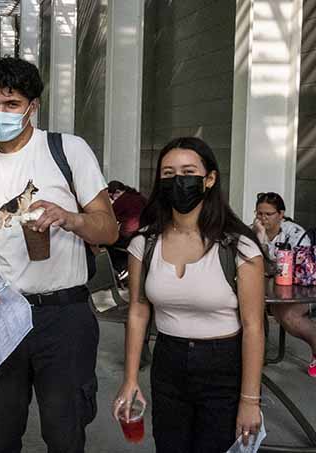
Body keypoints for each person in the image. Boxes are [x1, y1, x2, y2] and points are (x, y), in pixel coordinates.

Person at [0, 57, 119, 452]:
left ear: (33, 106)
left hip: (63, 316)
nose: (0, 113)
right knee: (0, 430)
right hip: (1, 313)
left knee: (65, 432)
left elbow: (108, 228)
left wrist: (69, 218)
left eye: (11, 105)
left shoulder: (67, 150)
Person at [113, 137, 265, 452]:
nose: (178, 181)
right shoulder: (146, 242)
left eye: (188, 171)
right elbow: (138, 312)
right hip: (168, 362)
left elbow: (253, 326)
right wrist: (130, 380)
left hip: (223, 365)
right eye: (168, 174)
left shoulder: (238, 246)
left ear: (209, 179)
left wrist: (250, 399)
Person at [252, 191, 316, 377]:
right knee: (253, 307)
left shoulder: (295, 233)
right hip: (272, 287)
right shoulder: (252, 231)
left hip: (301, 286)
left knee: (288, 316)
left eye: (268, 214)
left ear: (280, 214)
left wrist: (264, 250)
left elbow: (295, 266)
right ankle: (254, 355)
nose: (263, 218)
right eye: (259, 213)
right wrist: (260, 238)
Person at [107, 180, 147, 274]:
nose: (112, 200)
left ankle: (118, 270)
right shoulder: (140, 197)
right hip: (144, 235)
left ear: (117, 192)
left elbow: (109, 217)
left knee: (107, 242)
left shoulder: (122, 200)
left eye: (111, 197)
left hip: (129, 236)